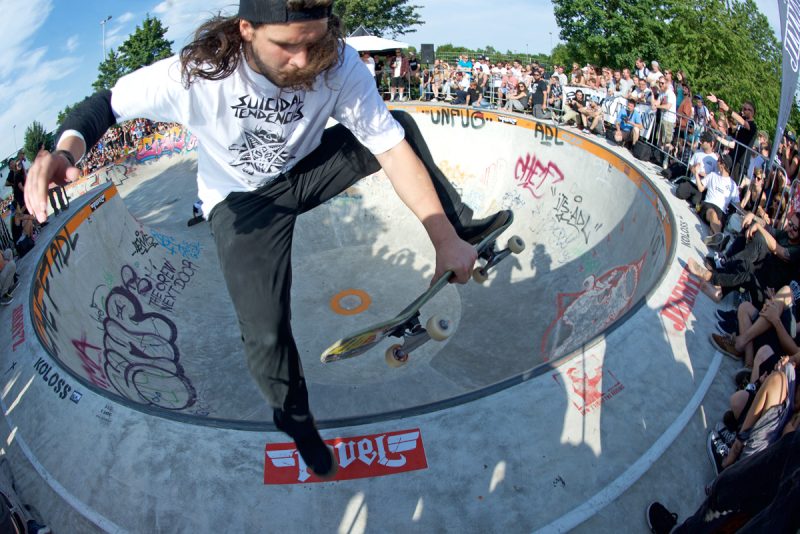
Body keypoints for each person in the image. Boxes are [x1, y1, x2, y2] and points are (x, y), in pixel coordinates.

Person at [24, 0, 506, 480]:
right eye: (287, 46)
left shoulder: (338, 61)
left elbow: (390, 150)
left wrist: (441, 237)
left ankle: (459, 225)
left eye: (314, 41)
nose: (303, 60)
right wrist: (67, 151)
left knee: (398, 127)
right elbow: (106, 103)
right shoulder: (199, 74)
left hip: (308, 172)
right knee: (266, 329)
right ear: (248, 30)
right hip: (242, 205)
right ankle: (294, 417)